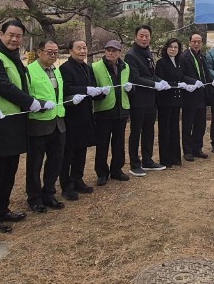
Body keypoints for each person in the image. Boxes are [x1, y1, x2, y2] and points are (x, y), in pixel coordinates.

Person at [0, 19, 38, 232]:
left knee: (9, 170)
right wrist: (29, 101)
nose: (14, 39)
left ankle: (2, 209)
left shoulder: (13, 57)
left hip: (15, 121)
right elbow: (3, 86)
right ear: (1, 34)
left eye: (18, 36)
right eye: (10, 35)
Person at [24, 40, 67, 209]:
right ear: (39, 52)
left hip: (58, 123)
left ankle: (49, 193)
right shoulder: (29, 71)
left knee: (55, 162)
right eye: (49, 52)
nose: (53, 55)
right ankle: (34, 198)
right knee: (35, 164)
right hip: (39, 124)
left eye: (56, 52)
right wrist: (40, 104)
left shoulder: (56, 70)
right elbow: (26, 96)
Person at [57, 39, 99, 197]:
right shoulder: (65, 68)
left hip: (86, 114)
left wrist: (100, 91)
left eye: (84, 48)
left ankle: (77, 179)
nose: (82, 51)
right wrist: (86, 90)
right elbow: (66, 88)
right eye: (78, 48)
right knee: (69, 152)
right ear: (70, 51)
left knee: (82, 149)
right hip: (71, 116)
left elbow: (93, 86)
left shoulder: (87, 68)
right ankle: (66, 184)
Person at [126, 25, 166, 172]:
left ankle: (147, 160)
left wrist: (161, 81)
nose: (144, 39)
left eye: (147, 36)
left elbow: (151, 73)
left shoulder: (148, 52)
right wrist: (155, 84)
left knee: (149, 131)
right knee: (136, 132)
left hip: (151, 99)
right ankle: (135, 164)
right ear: (135, 37)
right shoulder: (131, 55)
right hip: (138, 99)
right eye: (141, 36)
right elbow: (135, 78)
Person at [91, 40, 131, 182]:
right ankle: (102, 173)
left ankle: (117, 170)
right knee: (102, 144)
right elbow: (92, 89)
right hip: (104, 111)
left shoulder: (125, 67)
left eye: (114, 51)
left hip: (121, 110)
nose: (110, 53)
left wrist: (131, 89)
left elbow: (130, 86)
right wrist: (100, 93)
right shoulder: (95, 67)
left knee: (119, 143)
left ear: (119, 52)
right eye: (108, 50)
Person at [179, 33, 211, 159]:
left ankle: (197, 148)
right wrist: (193, 82)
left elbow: (206, 74)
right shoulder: (184, 57)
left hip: (201, 95)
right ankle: (187, 151)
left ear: (202, 43)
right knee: (188, 124)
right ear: (189, 42)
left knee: (200, 124)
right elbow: (181, 75)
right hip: (189, 95)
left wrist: (212, 81)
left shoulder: (202, 57)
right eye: (194, 41)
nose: (196, 44)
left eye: (199, 42)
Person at [156, 38, 187, 165]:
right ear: (166, 48)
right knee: (165, 129)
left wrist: (192, 82)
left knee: (174, 128)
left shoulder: (179, 62)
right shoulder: (161, 62)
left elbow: (182, 77)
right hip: (165, 100)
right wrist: (177, 84)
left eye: (176, 47)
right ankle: (165, 159)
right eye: (171, 47)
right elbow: (160, 79)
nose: (173, 49)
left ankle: (175, 157)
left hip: (176, 100)